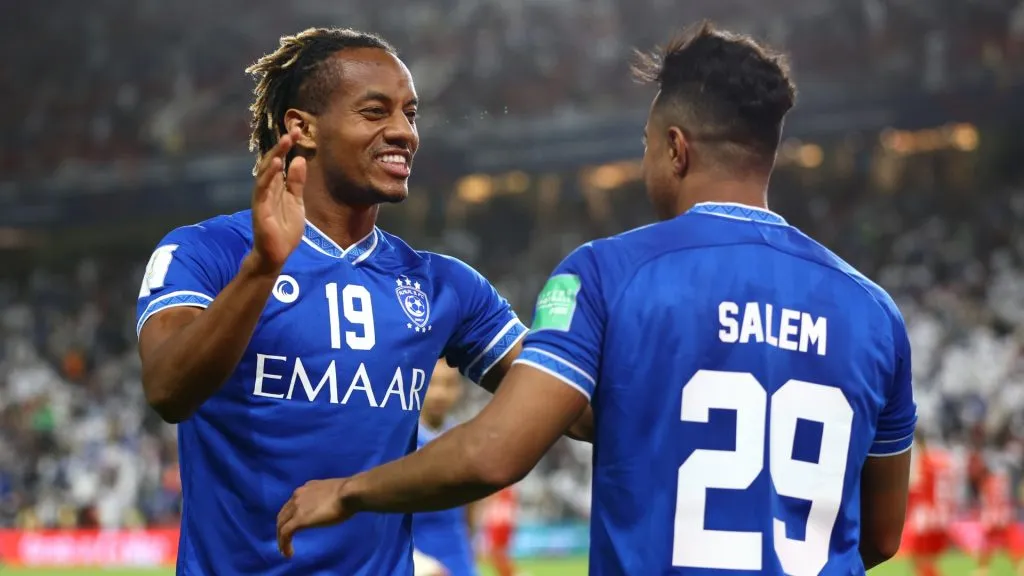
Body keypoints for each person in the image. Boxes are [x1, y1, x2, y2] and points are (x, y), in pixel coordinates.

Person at [275, 22, 916, 574]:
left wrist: (348, 491)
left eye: (644, 145)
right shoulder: (876, 313)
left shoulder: (608, 273)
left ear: (675, 149)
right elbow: (881, 536)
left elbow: (493, 453)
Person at [135, 27, 542, 575]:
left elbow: (570, 404)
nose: (404, 133)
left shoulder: (446, 285)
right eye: (375, 112)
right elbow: (167, 391)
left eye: (411, 114)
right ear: (301, 128)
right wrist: (262, 269)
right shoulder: (207, 252)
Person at [412, 361, 479, 576]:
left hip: (458, 558)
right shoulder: (402, 440)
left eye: (449, 384)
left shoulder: (464, 437)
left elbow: (471, 507)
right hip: (417, 558)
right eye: (433, 384)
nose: (440, 393)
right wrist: (419, 562)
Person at [904, 431, 952, 576]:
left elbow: (915, 484)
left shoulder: (924, 461)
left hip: (925, 514)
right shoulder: (943, 461)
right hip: (940, 513)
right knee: (926, 559)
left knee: (920, 557)